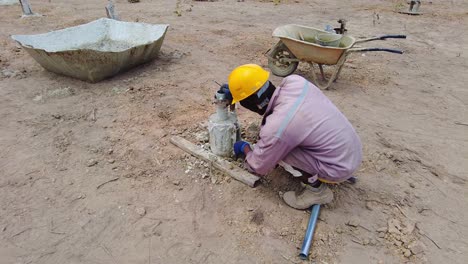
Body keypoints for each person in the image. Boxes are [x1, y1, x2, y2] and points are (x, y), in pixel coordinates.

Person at [227, 64, 362, 209]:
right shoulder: (296, 82)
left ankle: (317, 190)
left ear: (253, 103)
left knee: (278, 151)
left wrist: (245, 148)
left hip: (338, 167)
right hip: (351, 150)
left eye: (243, 103)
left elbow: (258, 166)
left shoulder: (277, 127)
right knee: (282, 140)